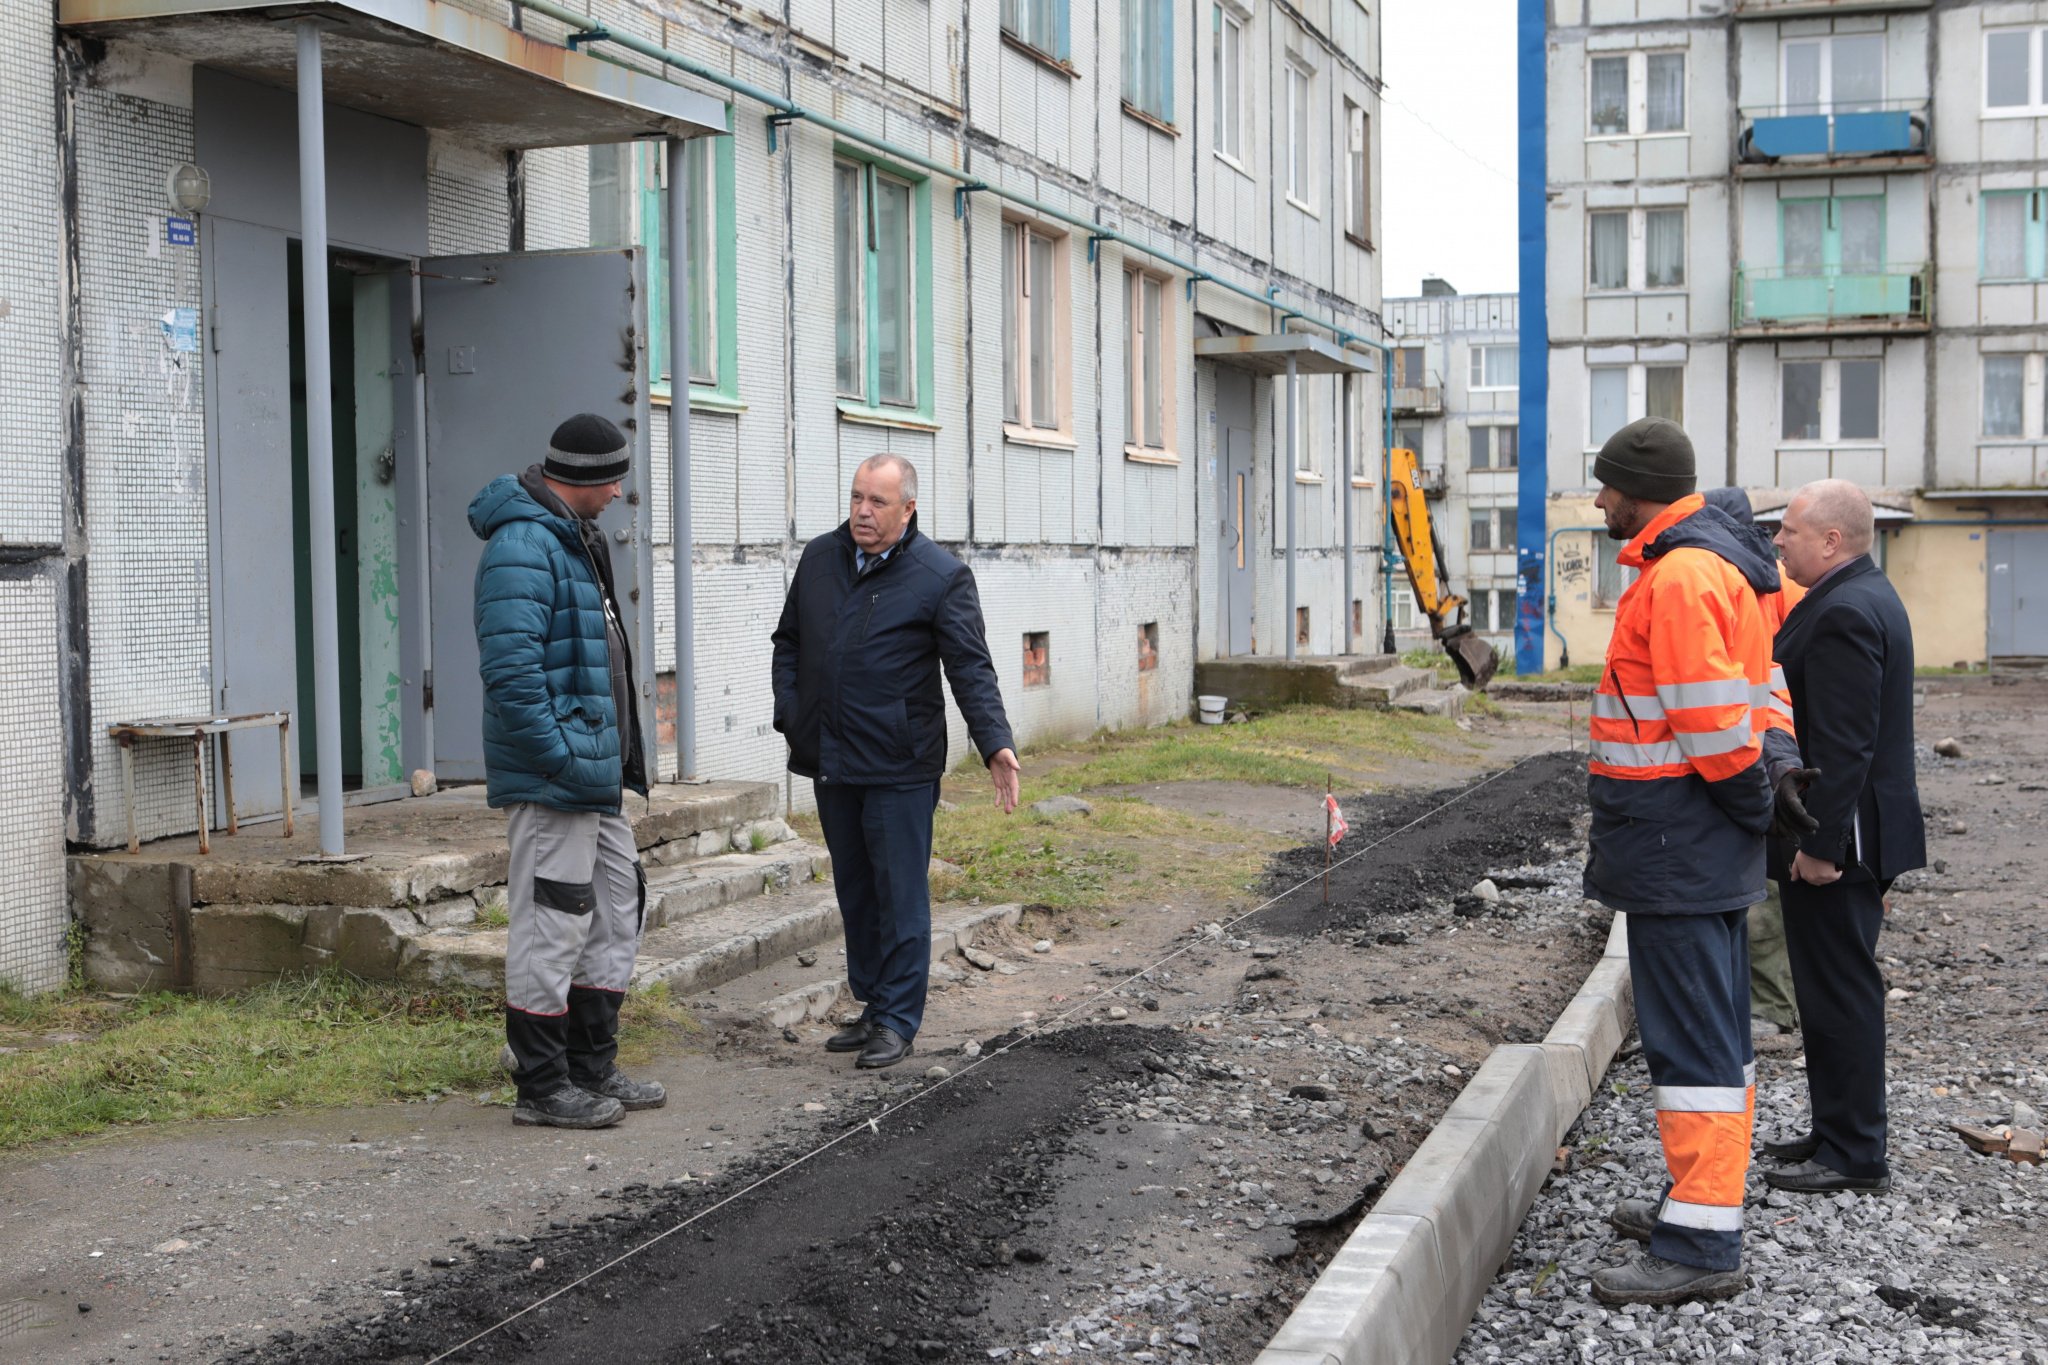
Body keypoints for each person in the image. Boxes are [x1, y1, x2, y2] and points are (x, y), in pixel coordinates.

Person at [1581, 418, 1779, 1307]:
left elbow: (1709, 726)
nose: (1599, 501)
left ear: (1640, 489)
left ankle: (1701, 1246)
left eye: (1607, 487)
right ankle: (1701, 1205)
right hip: (1700, 844)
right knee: (1717, 1038)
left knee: (1693, 1043)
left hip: (1679, 843)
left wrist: (1750, 804)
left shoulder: (1683, 575)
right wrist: (1757, 806)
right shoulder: (1722, 566)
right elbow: (1762, 701)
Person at [771, 454, 1021, 1070]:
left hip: (899, 764)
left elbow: (970, 666)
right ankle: (872, 1004)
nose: (862, 511)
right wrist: (791, 712)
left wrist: (994, 742)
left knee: (899, 893)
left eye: (878, 502)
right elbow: (789, 642)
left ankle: (899, 1020)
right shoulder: (821, 558)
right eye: (857, 497)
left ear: (908, 508)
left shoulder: (940, 575)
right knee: (855, 890)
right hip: (831, 755)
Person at [470, 413, 663, 1130]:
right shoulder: (524, 544)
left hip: (595, 776)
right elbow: (512, 671)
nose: (618, 491)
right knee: (552, 922)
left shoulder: (574, 537)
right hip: (559, 776)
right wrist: (557, 757)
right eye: (612, 477)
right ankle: (542, 1085)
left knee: (617, 907)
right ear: (581, 478)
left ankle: (592, 1064)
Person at [1759, 479, 1926, 1195]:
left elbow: (1845, 744)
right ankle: (1834, 1129)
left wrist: (1821, 845)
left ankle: (1855, 1151)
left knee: (1842, 988)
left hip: (1843, 844)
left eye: (1790, 530)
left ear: (1832, 539)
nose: (1778, 541)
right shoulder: (1856, 594)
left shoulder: (1847, 610)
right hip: (1850, 835)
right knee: (1827, 986)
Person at [1701, 488, 1806, 1037]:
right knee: (1772, 881)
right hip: (1774, 748)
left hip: (1772, 750)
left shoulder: (1758, 588)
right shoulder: (1772, 584)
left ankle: (1769, 1008)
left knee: (1766, 884)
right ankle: (1770, 1002)